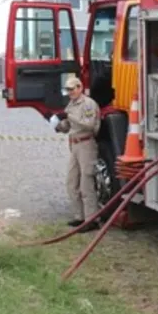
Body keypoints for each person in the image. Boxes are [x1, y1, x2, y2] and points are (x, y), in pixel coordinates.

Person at [54, 77, 102, 229]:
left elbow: (88, 125)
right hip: (74, 145)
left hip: (86, 144)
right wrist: (58, 124)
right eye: (68, 90)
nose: (70, 92)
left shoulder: (88, 104)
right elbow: (68, 127)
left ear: (80, 87)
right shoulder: (71, 104)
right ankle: (79, 217)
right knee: (72, 182)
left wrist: (69, 116)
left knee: (86, 183)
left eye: (72, 89)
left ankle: (92, 219)